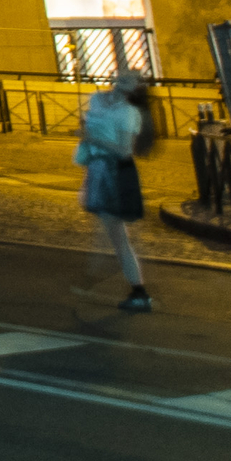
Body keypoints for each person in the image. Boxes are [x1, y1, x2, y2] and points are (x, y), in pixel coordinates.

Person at [79, 74, 154, 311]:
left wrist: (93, 139)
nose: (123, 77)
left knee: (117, 236)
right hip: (100, 169)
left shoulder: (128, 113)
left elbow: (124, 151)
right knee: (114, 233)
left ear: (134, 89)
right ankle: (133, 288)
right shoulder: (97, 99)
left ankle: (137, 291)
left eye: (131, 79)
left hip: (115, 172)